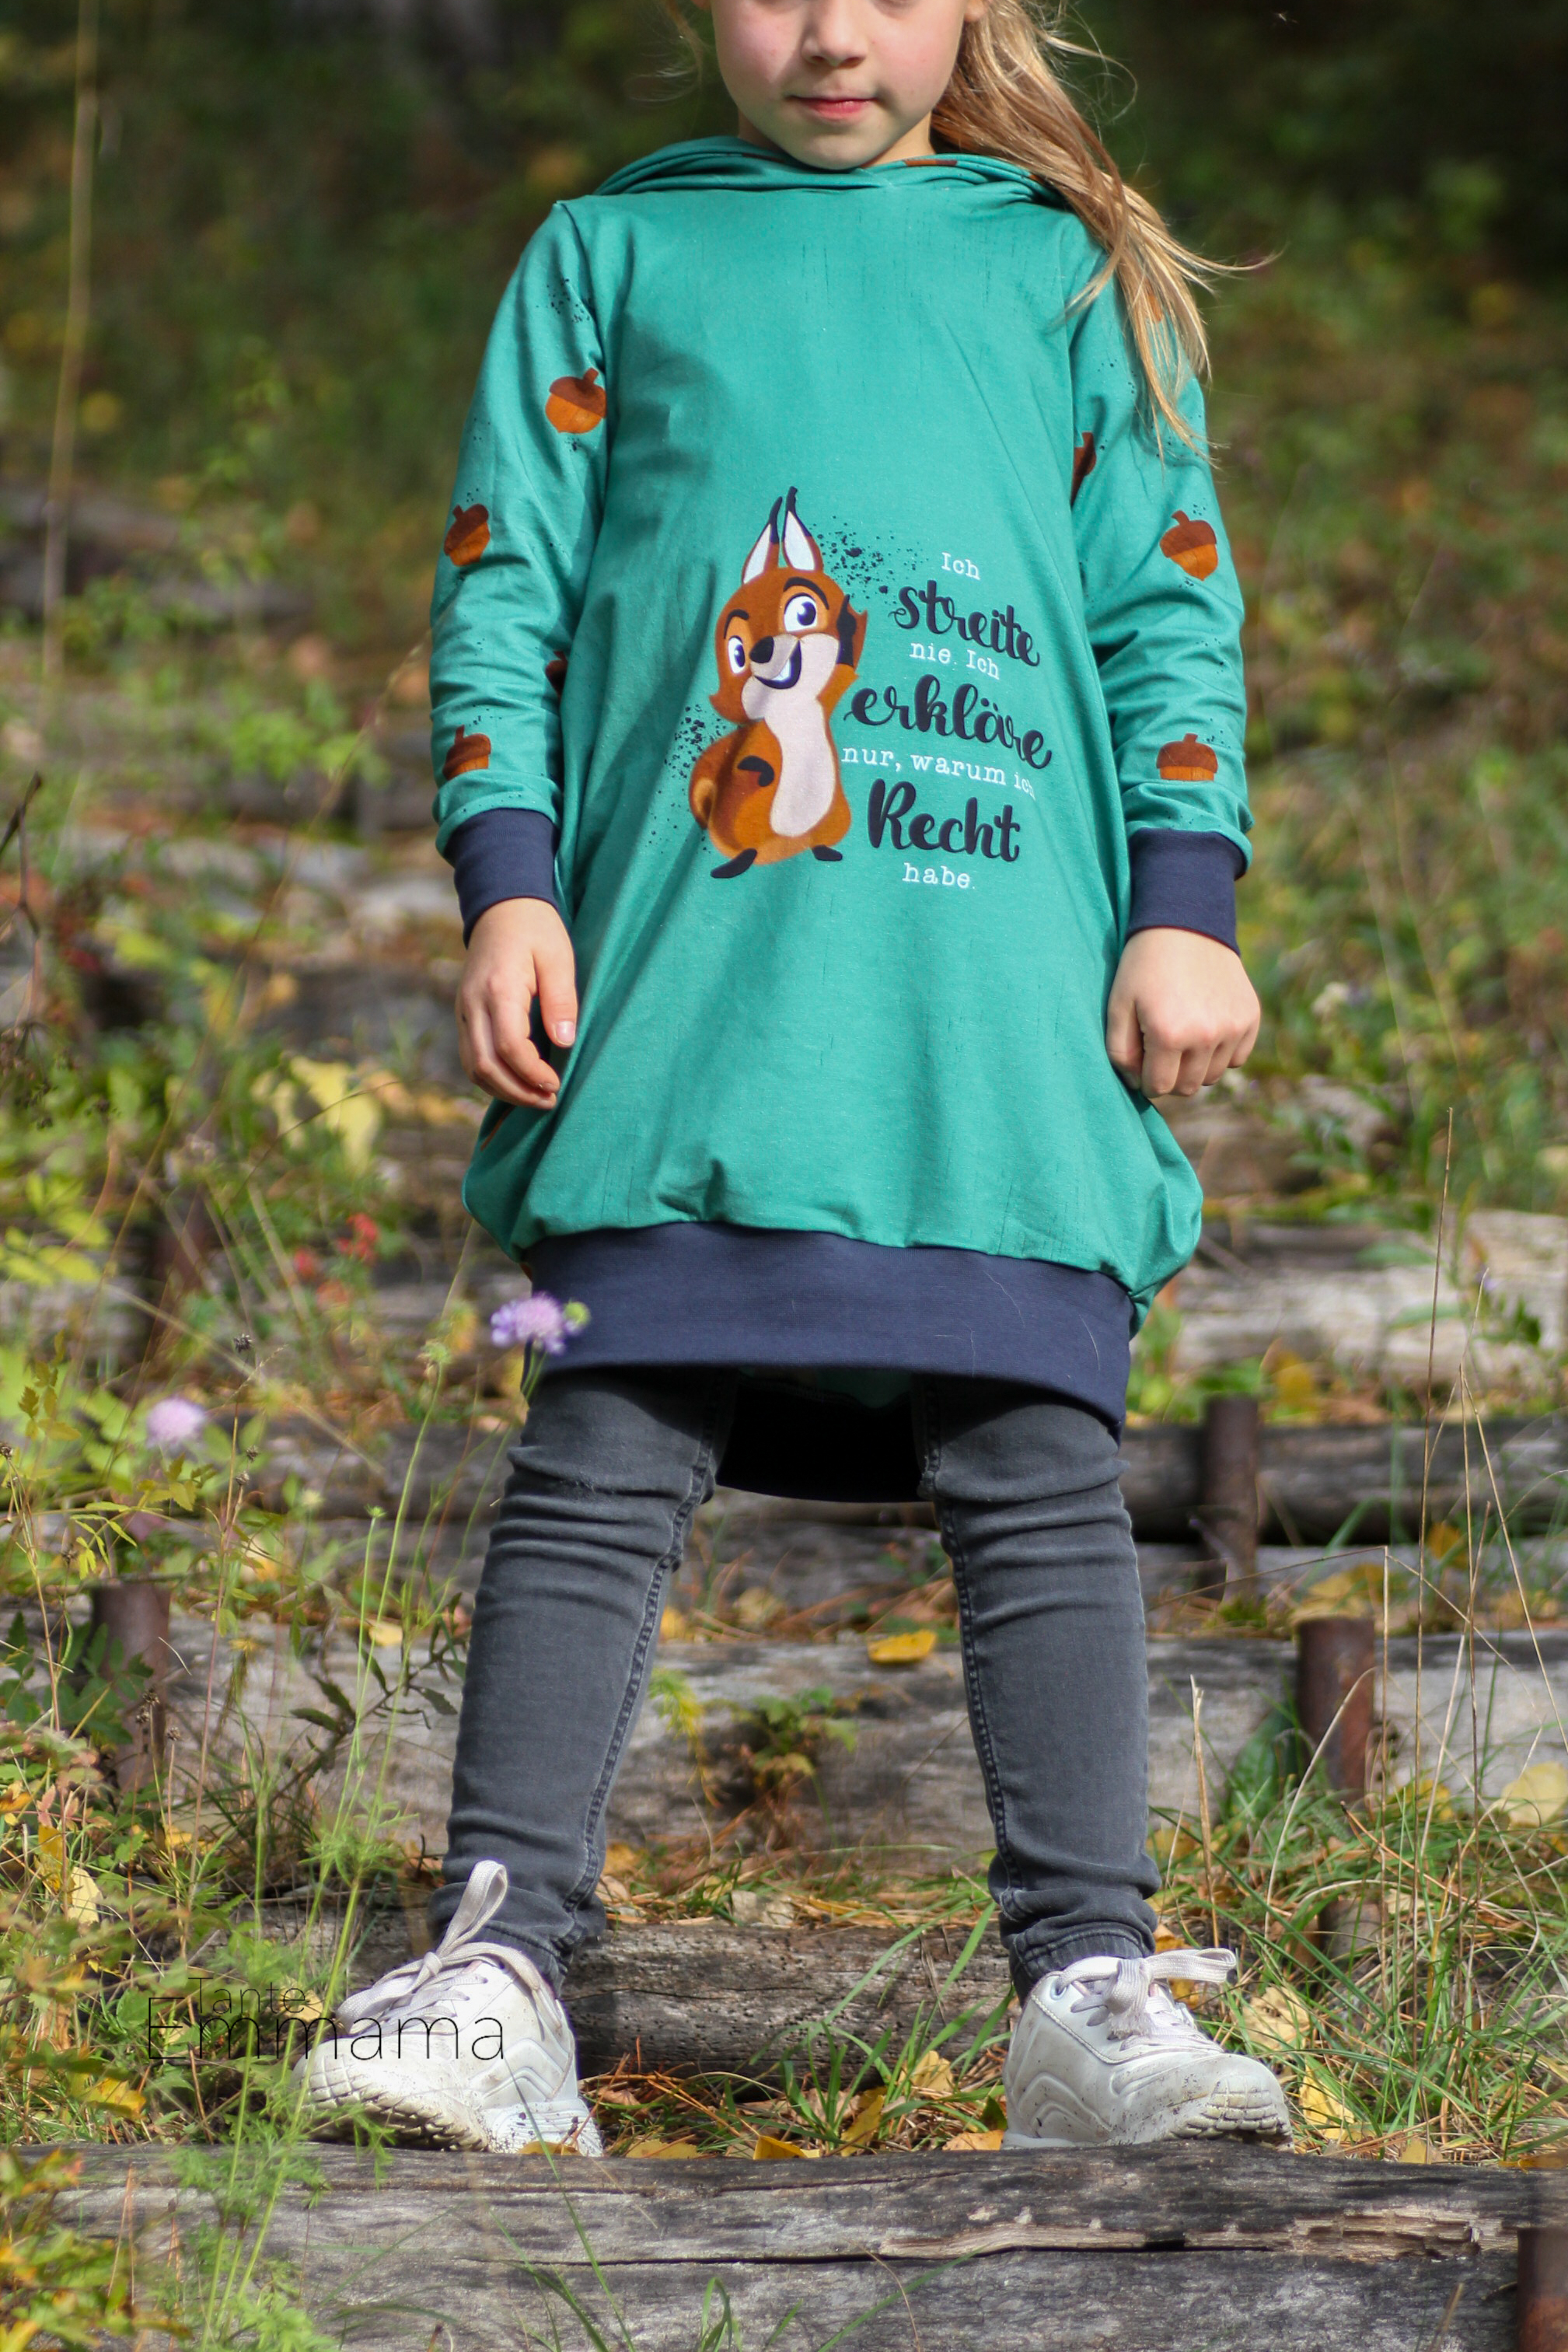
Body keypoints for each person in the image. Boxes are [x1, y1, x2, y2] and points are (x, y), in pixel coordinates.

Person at [298, 0, 1290, 2155]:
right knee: (606, 1430)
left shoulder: (1063, 271)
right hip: (690, 978)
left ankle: (1086, 1985)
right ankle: (500, 1962)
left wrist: (1184, 900)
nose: (833, 33)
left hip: (987, 1001)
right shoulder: (613, 255)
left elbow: (1167, 607)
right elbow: (502, 589)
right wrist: (507, 882)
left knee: (1032, 1448)